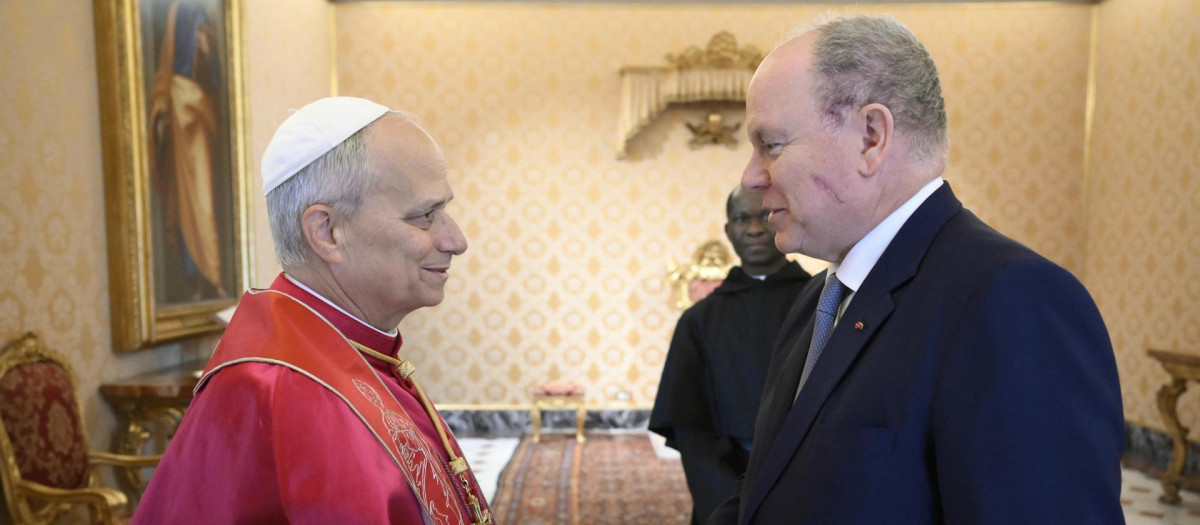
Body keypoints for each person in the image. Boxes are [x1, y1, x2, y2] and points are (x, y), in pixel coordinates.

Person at [708, 15, 1123, 524]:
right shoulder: (821, 297)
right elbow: (770, 488)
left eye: (770, 144)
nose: (750, 177)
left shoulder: (1014, 299)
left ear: (870, 137)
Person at [135, 97, 492, 524]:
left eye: (445, 210)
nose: (456, 240)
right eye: (425, 216)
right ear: (326, 232)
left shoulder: (355, 348)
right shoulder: (278, 386)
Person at [651, 186, 810, 524]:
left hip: (808, 475)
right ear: (728, 231)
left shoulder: (820, 304)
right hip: (723, 485)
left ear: (784, 219)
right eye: (741, 218)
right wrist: (727, 501)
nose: (754, 228)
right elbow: (688, 424)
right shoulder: (699, 320)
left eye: (765, 216)